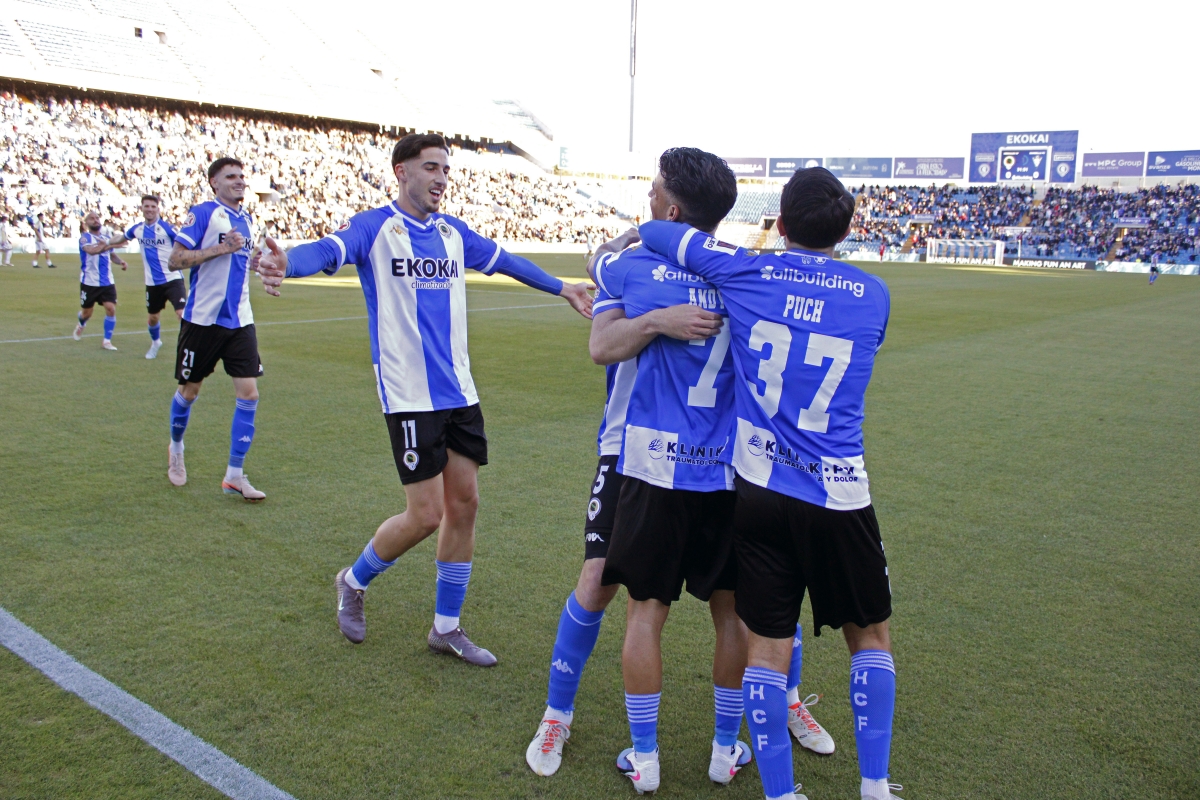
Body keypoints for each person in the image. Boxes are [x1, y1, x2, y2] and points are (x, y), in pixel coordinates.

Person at [256, 133, 593, 665]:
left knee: (465, 504)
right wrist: (286, 263)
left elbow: (504, 260)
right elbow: (326, 252)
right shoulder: (376, 228)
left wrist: (563, 288)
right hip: (409, 394)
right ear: (401, 172)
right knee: (426, 514)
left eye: (445, 169)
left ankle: (446, 627)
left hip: (460, 390)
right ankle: (353, 579)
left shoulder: (452, 233)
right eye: (430, 167)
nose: (440, 178)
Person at [637, 166, 900, 800]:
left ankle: (781, 794)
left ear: (777, 223)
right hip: (839, 494)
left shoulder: (746, 271)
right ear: (848, 227)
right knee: (869, 636)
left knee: (766, 650)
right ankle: (873, 785)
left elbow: (656, 231)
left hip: (759, 495)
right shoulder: (874, 294)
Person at [164, 157, 265, 501]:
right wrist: (223, 247)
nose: (239, 181)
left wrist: (255, 263)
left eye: (241, 176)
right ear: (214, 183)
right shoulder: (204, 212)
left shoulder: (248, 220)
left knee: (249, 393)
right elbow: (175, 259)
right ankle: (176, 447)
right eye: (231, 177)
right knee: (190, 392)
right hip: (203, 321)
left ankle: (234, 475)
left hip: (240, 320)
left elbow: (240, 262)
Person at [103, 195, 184, 359]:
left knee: (182, 314)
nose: (150, 209)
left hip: (173, 278)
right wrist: (107, 242)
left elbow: (184, 242)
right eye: (146, 206)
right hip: (152, 283)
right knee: (153, 318)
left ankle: (187, 347)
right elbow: (121, 238)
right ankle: (156, 343)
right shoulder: (137, 229)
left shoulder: (167, 229)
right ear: (142, 208)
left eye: (153, 207)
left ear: (158, 209)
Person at [72, 211, 119, 350]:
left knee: (111, 309)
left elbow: (112, 255)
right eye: (91, 218)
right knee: (87, 313)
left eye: (97, 218)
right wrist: (108, 245)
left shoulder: (106, 238)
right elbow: (92, 251)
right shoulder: (84, 238)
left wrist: (121, 262)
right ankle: (81, 322)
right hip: (89, 282)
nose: (95, 220)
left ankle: (107, 341)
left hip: (107, 281)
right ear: (86, 223)